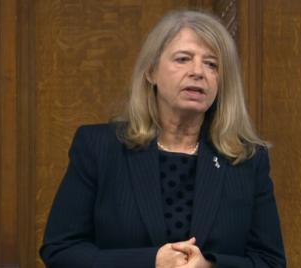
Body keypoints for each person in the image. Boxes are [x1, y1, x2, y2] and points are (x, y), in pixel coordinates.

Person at [40, 9, 286, 268]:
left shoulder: (246, 159)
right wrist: (151, 262)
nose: (198, 72)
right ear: (151, 72)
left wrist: (210, 267)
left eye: (212, 64)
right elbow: (60, 250)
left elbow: (271, 262)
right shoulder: (99, 147)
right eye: (183, 59)